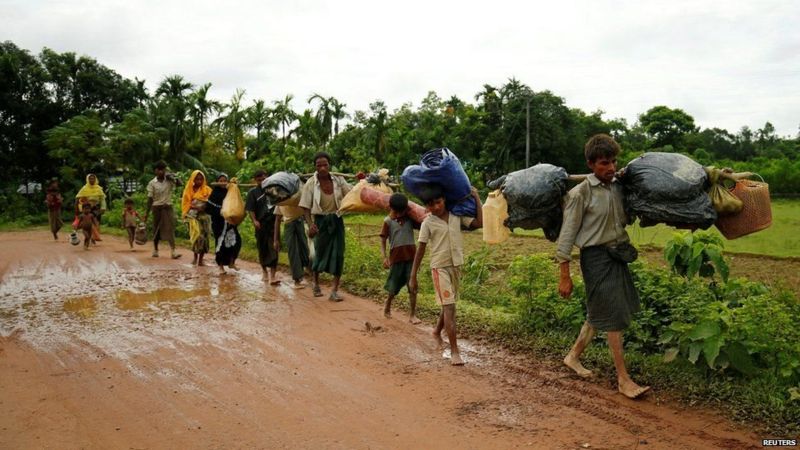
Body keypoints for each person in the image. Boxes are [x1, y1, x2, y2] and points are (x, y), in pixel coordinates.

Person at [556, 133, 650, 399]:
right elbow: (567, 234)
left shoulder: (618, 187)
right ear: (590, 165)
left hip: (617, 254)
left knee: (600, 310)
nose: (609, 168)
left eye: (613, 162)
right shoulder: (580, 193)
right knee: (613, 316)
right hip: (595, 258)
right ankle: (623, 379)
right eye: (603, 164)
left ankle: (573, 357)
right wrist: (564, 274)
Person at [409, 184, 483, 365]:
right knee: (450, 308)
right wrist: (413, 276)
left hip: (456, 266)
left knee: (448, 304)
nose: (435, 207)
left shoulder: (457, 216)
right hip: (439, 268)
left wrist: (477, 198)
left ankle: (436, 331)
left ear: (444, 201)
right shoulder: (427, 222)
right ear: (426, 207)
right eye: (431, 204)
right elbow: (421, 249)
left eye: (438, 202)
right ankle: (455, 352)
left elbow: (479, 224)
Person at [299, 152, 352, 301]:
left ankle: (334, 291)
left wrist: (362, 182)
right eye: (319, 165)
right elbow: (305, 207)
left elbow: (350, 193)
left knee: (339, 254)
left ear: (329, 165)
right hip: (320, 222)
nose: (322, 168)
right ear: (315, 167)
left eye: (325, 165)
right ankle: (315, 284)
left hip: (337, 219)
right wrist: (310, 225)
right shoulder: (311, 183)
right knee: (319, 253)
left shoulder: (338, 180)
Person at [380, 193, 421, 323]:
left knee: (412, 287)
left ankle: (412, 315)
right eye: (396, 211)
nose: (398, 214)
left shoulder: (410, 219)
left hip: (411, 258)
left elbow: (422, 222)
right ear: (391, 208)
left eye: (401, 211)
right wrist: (384, 257)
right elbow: (383, 240)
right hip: (396, 259)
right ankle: (387, 306)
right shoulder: (388, 221)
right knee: (393, 286)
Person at [245, 170, 280, 284]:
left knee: (274, 247)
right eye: (259, 180)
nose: (262, 181)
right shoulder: (253, 193)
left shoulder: (273, 190)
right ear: (255, 180)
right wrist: (254, 220)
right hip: (260, 224)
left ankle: (273, 275)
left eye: (263, 179)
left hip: (273, 223)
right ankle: (264, 271)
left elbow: (279, 204)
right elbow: (250, 209)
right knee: (262, 247)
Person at [144, 161, 182, 259]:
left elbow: (180, 184)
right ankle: (155, 249)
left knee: (170, 228)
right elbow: (150, 199)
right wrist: (146, 213)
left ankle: (173, 251)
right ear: (155, 171)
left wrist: (175, 176)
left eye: (163, 169)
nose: (161, 172)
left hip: (168, 207)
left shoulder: (169, 180)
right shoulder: (152, 183)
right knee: (156, 229)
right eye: (159, 170)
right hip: (157, 208)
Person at [206, 174, 242, 275]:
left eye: (225, 181)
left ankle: (231, 262)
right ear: (217, 182)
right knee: (220, 244)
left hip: (230, 223)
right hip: (219, 223)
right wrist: (221, 212)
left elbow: (235, 205)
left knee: (236, 241)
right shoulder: (214, 194)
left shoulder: (230, 193)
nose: (223, 183)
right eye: (221, 181)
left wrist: (234, 187)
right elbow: (208, 209)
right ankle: (221, 266)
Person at [274, 204, 310, 289]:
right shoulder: (281, 201)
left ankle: (307, 271)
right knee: (293, 251)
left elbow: (306, 210)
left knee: (304, 249)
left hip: (300, 223)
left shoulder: (296, 197)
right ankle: (297, 280)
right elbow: (277, 220)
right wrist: (276, 239)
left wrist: (310, 225)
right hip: (289, 225)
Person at [181, 170, 213, 266]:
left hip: (205, 217)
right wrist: (195, 207)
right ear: (193, 179)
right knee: (196, 237)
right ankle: (195, 258)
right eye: (197, 179)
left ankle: (201, 260)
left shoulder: (207, 190)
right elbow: (186, 203)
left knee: (204, 238)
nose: (199, 181)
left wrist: (203, 207)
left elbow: (211, 203)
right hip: (193, 217)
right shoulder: (188, 190)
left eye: (201, 179)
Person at [74, 173, 106, 243]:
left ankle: (94, 237)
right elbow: (77, 198)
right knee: (90, 221)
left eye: (93, 178)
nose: (92, 180)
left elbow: (102, 199)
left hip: (96, 208)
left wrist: (103, 208)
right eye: (90, 178)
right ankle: (94, 237)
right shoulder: (84, 188)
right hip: (87, 208)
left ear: (95, 179)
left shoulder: (99, 188)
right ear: (87, 180)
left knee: (97, 222)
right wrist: (76, 208)